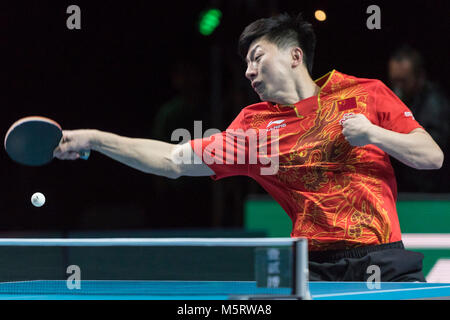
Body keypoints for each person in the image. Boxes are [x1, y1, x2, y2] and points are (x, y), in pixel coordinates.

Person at [54, 13, 444, 282]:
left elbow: (432, 157)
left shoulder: (364, 93)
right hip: (315, 269)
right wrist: (94, 139)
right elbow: (173, 159)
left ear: (295, 56)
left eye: (257, 57)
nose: (248, 70)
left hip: (384, 258)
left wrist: (374, 135)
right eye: (245, 64)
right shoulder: (254, 128)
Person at [388, 45, 450, 192]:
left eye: (403, 81)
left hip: (433, 192)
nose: (398, 87)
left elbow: (434, 152)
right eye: (394, 81)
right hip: (403, 189)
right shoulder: (393, 100)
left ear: (420, 77)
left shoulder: (435, 103)